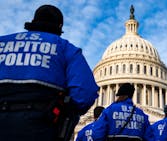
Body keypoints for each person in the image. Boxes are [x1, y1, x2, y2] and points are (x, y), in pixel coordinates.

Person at [0, 4, 99, 141]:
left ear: (33, 22)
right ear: (59, 27)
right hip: (40, 125)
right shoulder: (65, 48)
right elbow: (85, 92)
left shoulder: (2, 42)